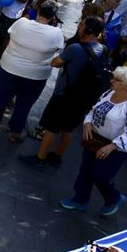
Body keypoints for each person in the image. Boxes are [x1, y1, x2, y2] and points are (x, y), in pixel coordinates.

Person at [58, 66, 127, 217]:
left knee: (100, 176)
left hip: (115, 148)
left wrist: (112, 146)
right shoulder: (110, 92)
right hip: (95, 140)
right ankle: (80, 200)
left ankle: (114, 198)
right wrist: (87, 123)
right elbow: (94, 110)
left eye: (116, 79)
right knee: (85, 172)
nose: (111, 81)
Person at [21, 17, 108, 169]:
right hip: (84, 98)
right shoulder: (103, 50)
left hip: (64, 94)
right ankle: (57, 156)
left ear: (89, 30)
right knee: (68, 128)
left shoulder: (75, 48)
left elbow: (55, 63)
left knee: (51, 127)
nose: (79, 27)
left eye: (81, 25)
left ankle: (40, 158)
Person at [0, 0, 65, 142]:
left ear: (38, 11)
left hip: (10, 67)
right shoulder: (56, 33)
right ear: (53, 16)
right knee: (24, 104)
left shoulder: (22, 23)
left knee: (0, 97)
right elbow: (57, 49)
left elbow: (10, 33)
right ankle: (15, 133)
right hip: (36, 75)